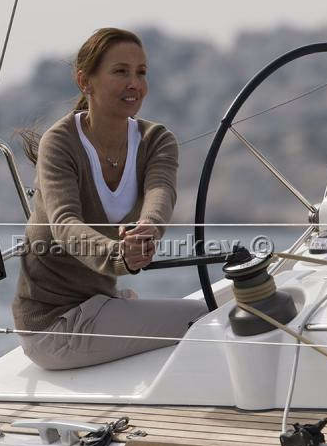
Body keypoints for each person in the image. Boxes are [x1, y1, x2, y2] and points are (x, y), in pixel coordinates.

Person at [12, 28, 207, 370]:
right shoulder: (60, 143)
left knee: (235, 307)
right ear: (84, 81)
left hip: (101, 305)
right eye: (120, 72)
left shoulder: (157, 140)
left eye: (141, 73)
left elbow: (161, 192)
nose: (134, 83)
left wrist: (147, 229)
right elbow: (64, 224)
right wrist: (119, 256)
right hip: (54, 325)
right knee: (211, 322)